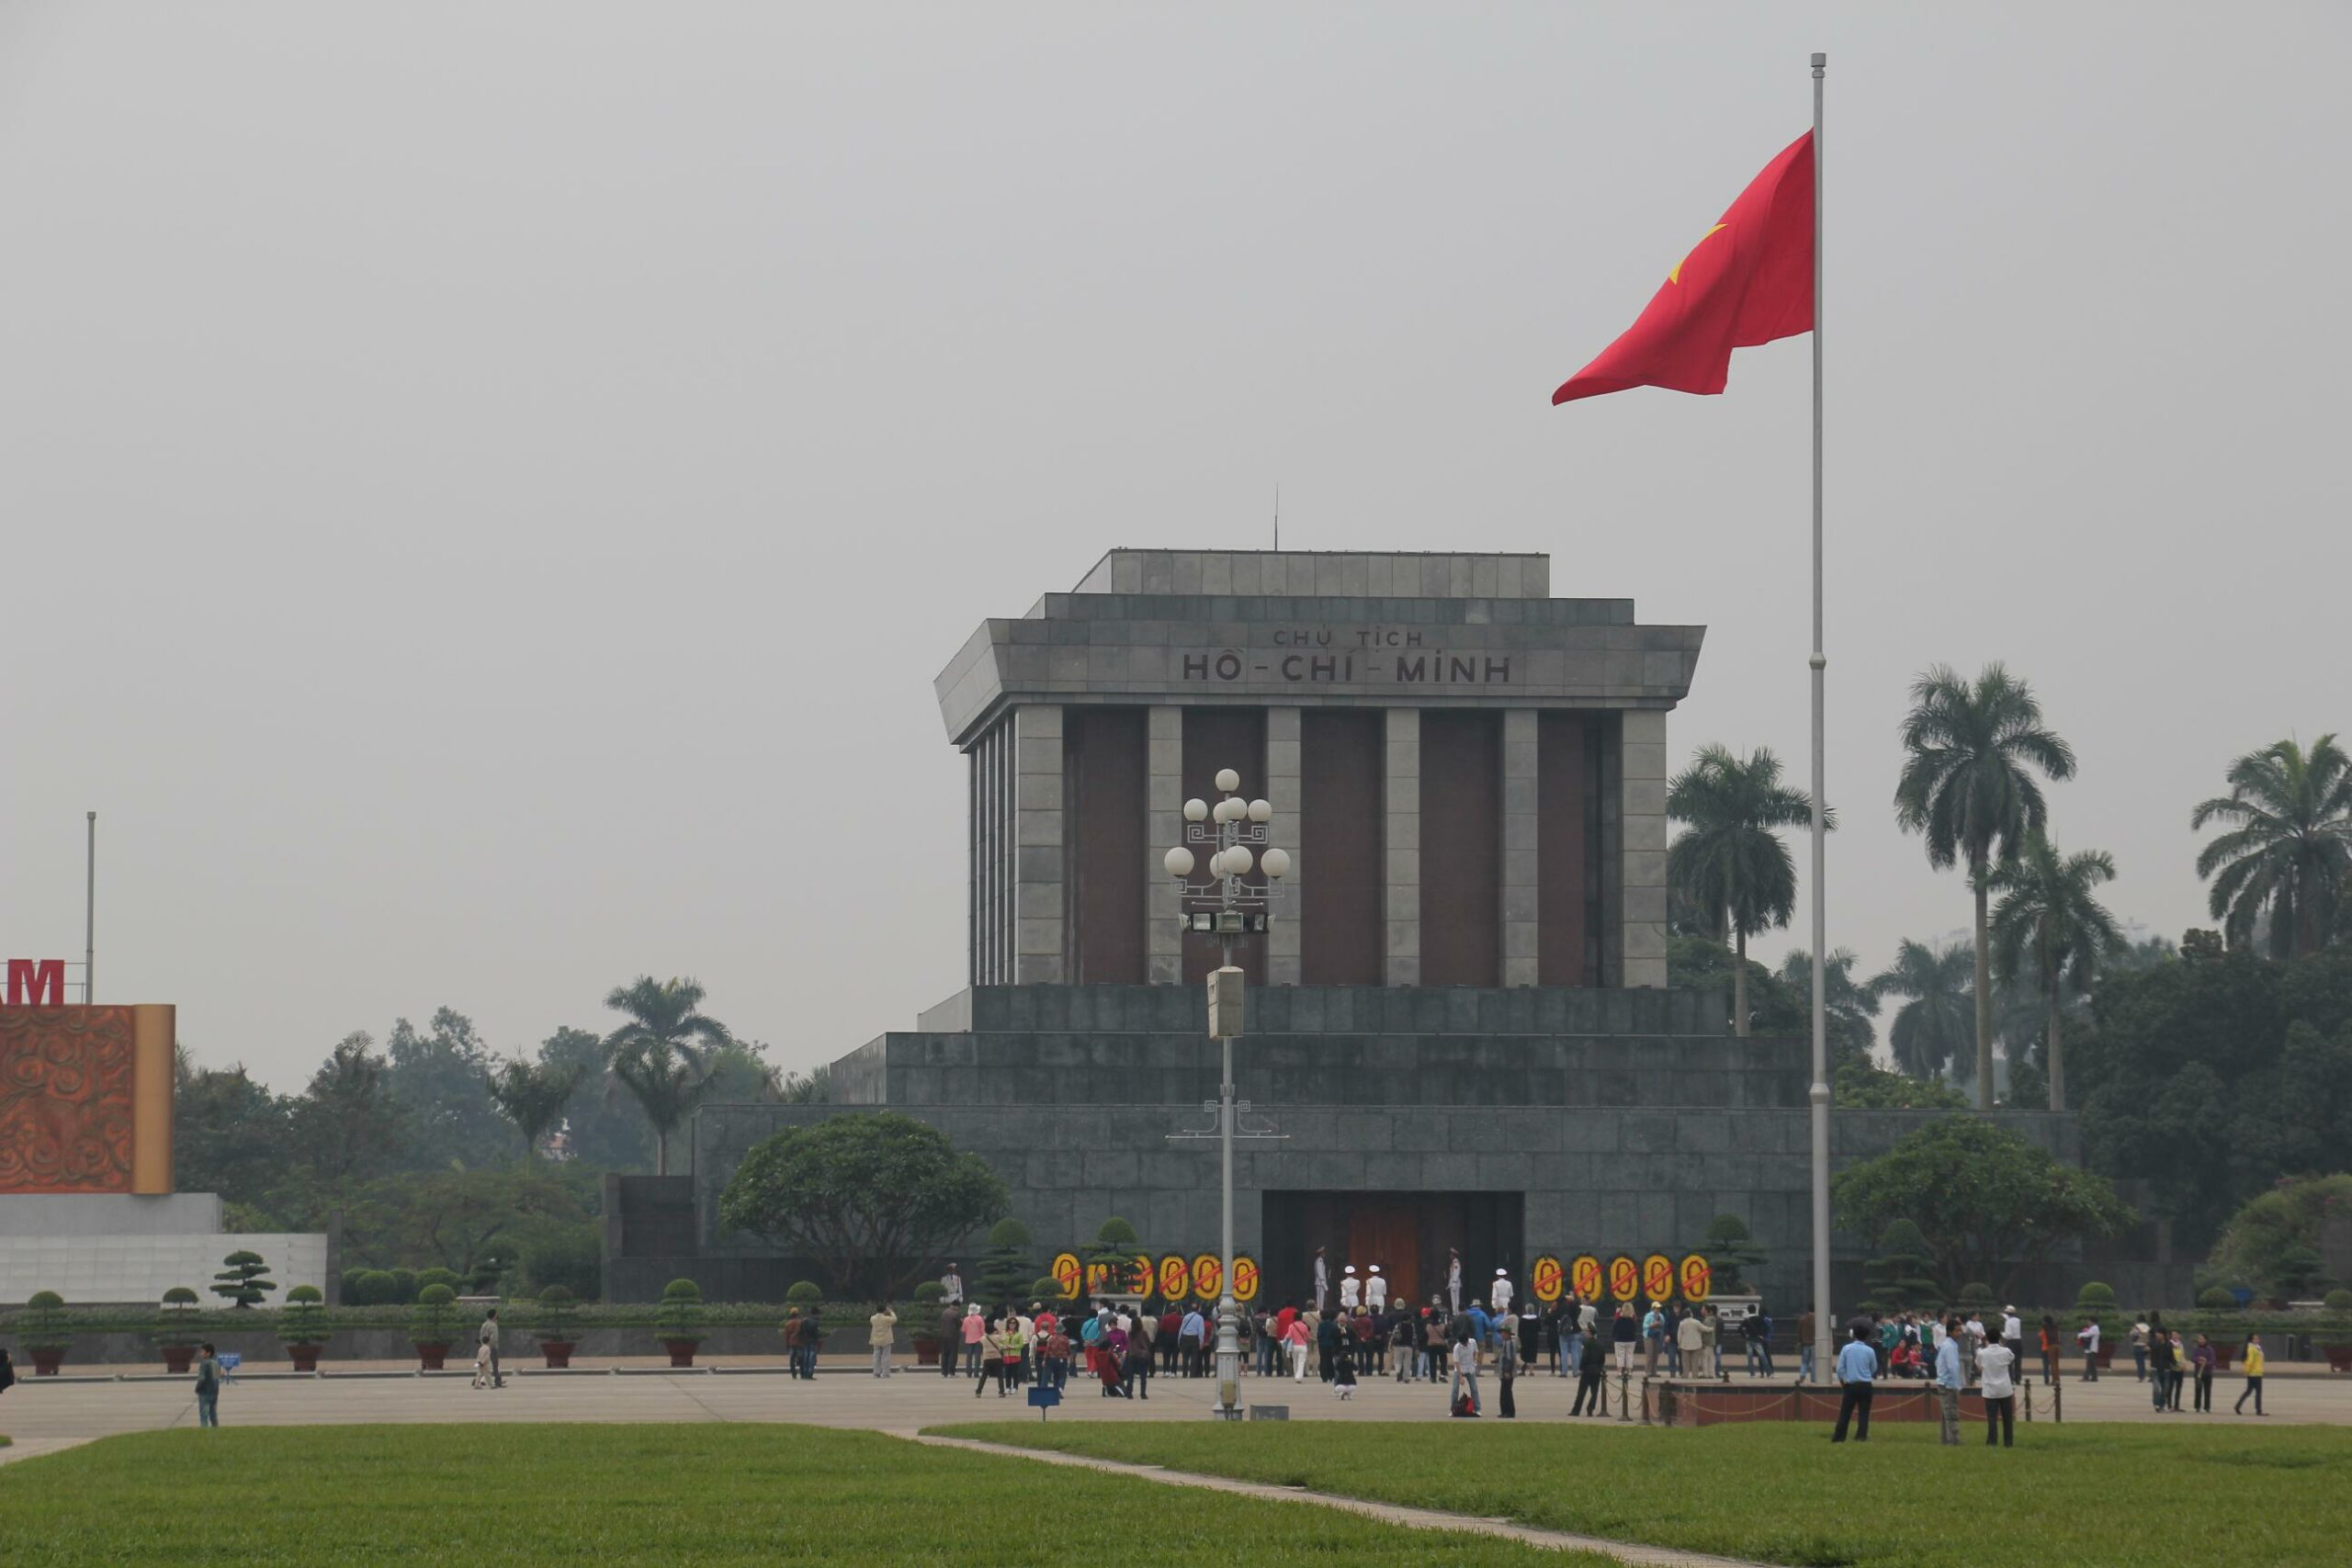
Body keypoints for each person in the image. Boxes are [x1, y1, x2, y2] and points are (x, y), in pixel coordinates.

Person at [1830, 1325, 1876, 1443]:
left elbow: (1840, 1369)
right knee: (1864, 1413)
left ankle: (1839, 1437)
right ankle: (1861, 1437)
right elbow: (1874, 1368)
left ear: (1854, 1335)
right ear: (1866, 1336)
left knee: (1845, 1412)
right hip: (1866, 1385)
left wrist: (1842, 1381)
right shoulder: (1870, 1350)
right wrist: (1866, 1374)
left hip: (1851, 1384)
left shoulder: (1847, 1349)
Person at [1978, 1332, 2018, 1447]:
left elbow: (1979, 1365)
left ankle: (1992, 1442)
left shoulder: (1982, 1353)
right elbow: (2011, 1358)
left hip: (1990, 1390)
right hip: (2005, 1389)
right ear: (1999, 1339)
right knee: (2007, 1418)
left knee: (1992, 1418)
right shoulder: (2005, 1351)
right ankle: (2008, 1442)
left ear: (1987, 1339)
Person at [1933, 1314, 1965, 1444]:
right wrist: (1957, 1385)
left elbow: (1937, 1362)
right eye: (1957, 1331)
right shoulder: (1950, 1346)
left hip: (1943, 1382)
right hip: (1948, 1385)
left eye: (1961, 1330)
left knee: (1946, 1414)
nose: (1960, 1333)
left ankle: (1946, 1439)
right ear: (1950, 1332)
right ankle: (1954, 1440)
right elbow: (1953, 1367)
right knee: (1952, 1414)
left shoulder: (1946, 1344)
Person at [1571, 1325, 1608, 1416]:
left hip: (1587, 1370)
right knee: (1594, 1393)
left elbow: (1585, 1357)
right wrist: (1600, 1367)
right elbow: (1602, 1358)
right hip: (1596, 1370)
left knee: (1581, 1392)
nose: (1585, 1333)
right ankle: (1590, 1409)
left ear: (1590, 1333)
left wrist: (1581, 1369)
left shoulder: (1586, 1344)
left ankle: (1576, 1410)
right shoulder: (1599, 1344)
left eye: (1586, 1331)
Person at [1449, 1330, 1481, 1416]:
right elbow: (1456, 1362)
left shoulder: (1473, 1342)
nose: (1466, 1345)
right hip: (1460, 1368)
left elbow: (1476, 1351)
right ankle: (1453, 1409)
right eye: (1463, 1343)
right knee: (1455, 1389)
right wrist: (1460, 1377)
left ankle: (1477, 1409)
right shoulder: (1457, 1348)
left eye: (1466, 1342)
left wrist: (1475, 1360)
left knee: (1474, 1388)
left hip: (1470, 1368)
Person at [193, 1343, 223, 1427]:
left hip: (205, 1392)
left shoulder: (204, 1364)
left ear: (208, 1353)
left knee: (204, 1415)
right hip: (214, 1392)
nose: (201, 1354)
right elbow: (218, 1376)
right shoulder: (216, 1363)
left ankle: (204, 1431)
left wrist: (197, 1388)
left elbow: (201, 1378)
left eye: (202, 1352)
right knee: (213, 1414)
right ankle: (216, 1429)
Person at [2233, 1335, 2265, 1416]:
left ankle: (2238, 1406)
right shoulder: (2252, 1348)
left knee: (2249, 1391)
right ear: (2251, 1340)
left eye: (2258, 1338)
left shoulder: (2257, 1347)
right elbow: (2250, 1361)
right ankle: (2258, 1410)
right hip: (2255, 1373)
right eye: (2255, 1339)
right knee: (2258, 1392)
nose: (2257, 1340)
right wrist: (2246, 1371)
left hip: (2255, 1372)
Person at [976, 1319, 1007, 1398]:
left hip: (987, 1359)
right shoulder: (997, 1337)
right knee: (1000, 1375)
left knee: (984, 1376)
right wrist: (998, 1331)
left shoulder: (983, 1339)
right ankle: (1001, 1392)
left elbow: (981, 1339)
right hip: (997, 1358)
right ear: (993, 1329)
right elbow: (1004, 1339)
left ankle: (978, 1391)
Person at [2148, 1325, 2175, 1413]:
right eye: (2156, 1333)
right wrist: (2146, 1349)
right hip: (2155, 1368)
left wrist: (2176, 1364)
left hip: (2166, 1369)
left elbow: (2171, 1357)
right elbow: (2148, 1348)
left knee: (2165, 1389)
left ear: (2163, 1335)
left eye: (2159, 1333)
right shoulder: (2153, 1343)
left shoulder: (2169, 1345)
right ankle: (2156, 1404)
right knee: (2156, 1387)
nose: (2157, 1335)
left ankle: (2162, 1405)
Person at [867, 1301, 898, 1378]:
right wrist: (891, 1311)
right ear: (884, 1310)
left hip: (876, 1339)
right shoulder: (886, 1319)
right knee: (886, 1356)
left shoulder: (872, 1318)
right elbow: (894, 1319)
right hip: (886, 1339)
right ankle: (885, 1373)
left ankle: (876, 1373)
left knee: (876, 1356)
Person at [1675, 1305, 1705, 1382]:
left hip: (1685, 1345)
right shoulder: (1696, 1322)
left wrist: (1679, 1344)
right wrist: (1711, 1328)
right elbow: (1704, 1329)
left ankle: (1685, 1375)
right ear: (1690, 1314)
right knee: (1695, 1362)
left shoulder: (1682, 1323)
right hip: (1696, 1345)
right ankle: (1695, 1376)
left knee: (1685, 1362)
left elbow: (1679, 1335)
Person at [1496, 1321, 1519, 1417]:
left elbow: (1509, 1358)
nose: (1502, 1334)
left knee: (1506, 1392)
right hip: (1503, 1371)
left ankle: (1509, 1411)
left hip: (1507, 1372)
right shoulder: (1505, 1343)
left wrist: (1507, 1371)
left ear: (1508, 1334)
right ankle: (1505, 1411)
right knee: (1504, 1392)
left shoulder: (1509, 1343)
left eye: (1503, 1332)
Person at [1745, 1305, 1775, 1378]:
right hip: (1767, 1339)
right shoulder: (1769, 1320)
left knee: (1760, 1356)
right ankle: (1771, 1371)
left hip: (1759, 1339)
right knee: (1767, 1356)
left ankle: (1762, 1372)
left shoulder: (1758, 1319)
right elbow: (1770, 1329)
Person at [479, 1307, 503, 1390]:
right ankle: (497, 1381)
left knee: (483, 1364)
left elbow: (481, 1336)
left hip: (483, 1347)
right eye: (496, 1314)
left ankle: (477, 1380)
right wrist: (492, 1345)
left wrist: (483, 1344)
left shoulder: (484, 1324)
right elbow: (494, 1338)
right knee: (495, 1365)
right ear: (494, 1316)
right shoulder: (493, 1325)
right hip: (491, 1348)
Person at [1611, 1301, 1639, 1374]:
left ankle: (1620, 1372)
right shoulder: (1632, 1320)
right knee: (1629, 1356)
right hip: (1631, 1340)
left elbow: (1614, 1328)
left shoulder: (1619, 1319)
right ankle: (1629, 1372)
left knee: (1620, 1356)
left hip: (1619, 1339)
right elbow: (1635, 1329)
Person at [1284, 1311, 1313, 1382]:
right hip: (1303, 1346)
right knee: (1301, 1362)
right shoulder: (1304, 1326)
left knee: (1295, 1362)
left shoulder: (1291, 1326)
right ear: (1301, 1317)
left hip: (1294, 1346)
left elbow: (1289, 1336)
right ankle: (1299, 1377)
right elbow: (1308, 1337)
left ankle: (1296, 1375)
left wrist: (1285, 1339)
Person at [2190, 1333, 2215, 1413]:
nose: (2200, 1340)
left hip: (2207, 1373)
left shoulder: (2210, 1349)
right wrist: (2198, 1359)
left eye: (2202, 1339)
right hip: (2198, 1373)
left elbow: (2213, 1361)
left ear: (2206, 1340)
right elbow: (2192, 1358)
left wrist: (2206, 1363)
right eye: (2199, 1339)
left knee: (2207, 1390)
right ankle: (2197, 1406)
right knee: (2198, 1389)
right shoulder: (2196, 1348)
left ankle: (2207, 1407)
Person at [1332, 1333, 1357, 1401]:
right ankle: (1349, 1396)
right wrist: (1350, 1361)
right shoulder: (1350, 1363)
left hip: (1340, 1385)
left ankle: (1341, 1393)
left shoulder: (1339, 1363)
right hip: (1352, 1385)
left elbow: (1336, 1368)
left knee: (1337, 1386)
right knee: (1351, 1387)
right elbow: (1356, 1368)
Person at [2077, 1315, 2101, 1382]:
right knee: (2092, 1365)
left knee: (2089, 1364)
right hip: (2091, 1348)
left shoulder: (2094, 1328)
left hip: (2092, 1349)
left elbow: (2088, 1334)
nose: (2088, 1322)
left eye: (2089, 1321)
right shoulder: (2093, 1328)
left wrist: (2080, 1335)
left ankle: (2086, 1377)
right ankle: (2094, 1378)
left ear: (2092, 1321)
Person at [2039, 1314, 2061, 1385]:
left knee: (2052, 1364)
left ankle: (2054, 1380)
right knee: (2056, 1363)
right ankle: (2057, 1379)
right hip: (2058, 1345)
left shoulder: (2045, 1327)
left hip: (2050, 1346)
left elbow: (2041, 1335)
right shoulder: (2055, 1326)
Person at [1798, 1305, 1817, 1382]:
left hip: (1805, 1343)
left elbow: (1799, 1331)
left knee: (1804, 1362)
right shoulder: (1818, 1319)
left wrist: (1799, 1341)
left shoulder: (1803, 1319)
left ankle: (1802, 1375)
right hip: (1814, 1343)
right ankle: (1813, 1378)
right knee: (1814, 1362)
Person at [2130, 1315, 2150, 1382]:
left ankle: (2140, 1377)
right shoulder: (2148, 1327)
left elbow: (2131, 1333)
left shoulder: (2137, 1327)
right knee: (2142, 1361)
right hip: (2144, 1345)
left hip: (2137, 1345)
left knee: (2139, 1362)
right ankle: (2143, 1375)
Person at [1313, 1247, 1329, 1314]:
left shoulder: (1320, 1260)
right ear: (1321, 1253)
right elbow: (1320, 1274)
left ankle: (1320, 1312)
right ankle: (1319, 1313)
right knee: (1320, 1300)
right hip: (1320, 1283)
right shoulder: (1319, 1261)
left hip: (1321, 1283)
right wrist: (1325, 1286)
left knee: (1321, 1300)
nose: (1325, 1254)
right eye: (1323, 1252)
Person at [1448, 1248, 1464, 1314]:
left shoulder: (1455, 1262)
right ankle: (1455, 1312)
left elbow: (1456, 1273)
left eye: (1451, 1254)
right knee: (1454, 1299)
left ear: (1453, 1255)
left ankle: (1457, 1313)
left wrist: (1454, 1282)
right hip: (1453, 1283)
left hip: (1455, 1283)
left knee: (1455, 1299)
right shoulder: (1453, 1262)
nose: (1450, 1256)